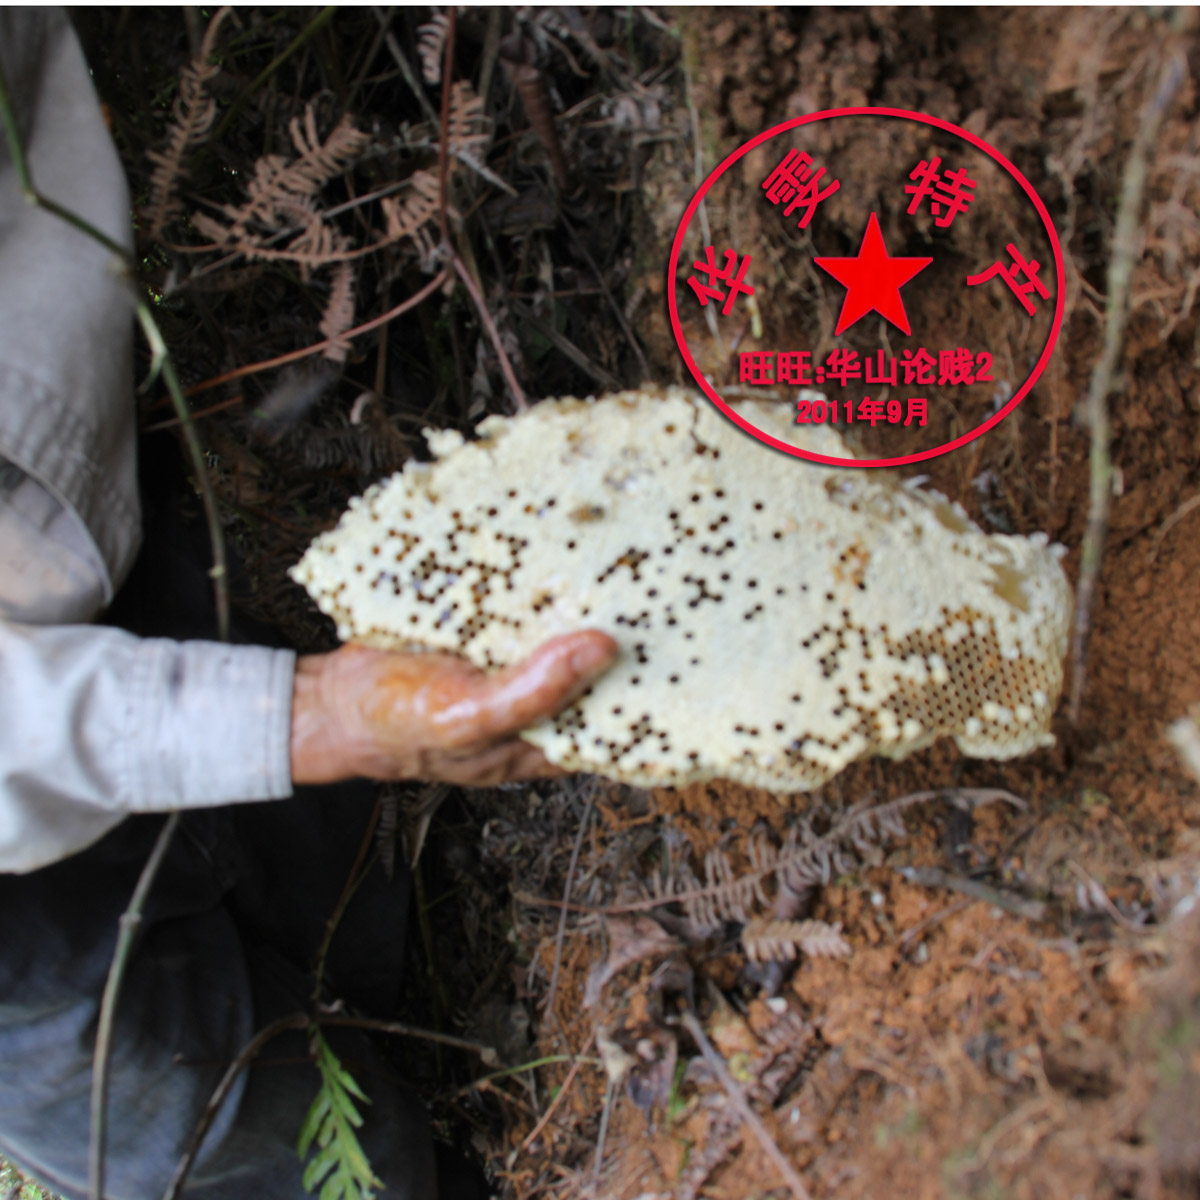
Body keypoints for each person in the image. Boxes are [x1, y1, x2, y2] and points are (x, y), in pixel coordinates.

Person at [0, 10, 617, 1199]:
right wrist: (314, 715)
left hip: (83, 521)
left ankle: (419, 1056)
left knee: (343, 911)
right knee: (310, 1164)